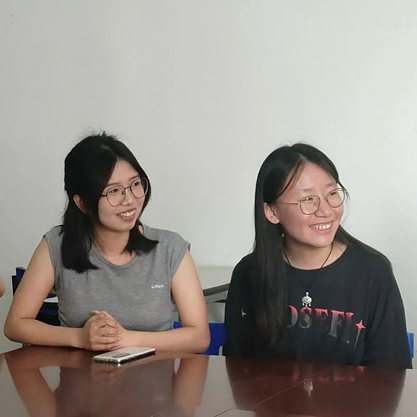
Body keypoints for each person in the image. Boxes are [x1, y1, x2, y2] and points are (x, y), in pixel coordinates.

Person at [4, 132, 209, 352]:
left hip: (153, 374)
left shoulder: (170, 248)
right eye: (113, 191)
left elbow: (199, 337)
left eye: (135, 184)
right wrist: (78, 337)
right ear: (82, 203)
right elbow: (15, 325)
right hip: (81, 374)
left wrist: (125, 339)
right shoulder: (57, 245)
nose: (129, 199)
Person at [224, 143, 411, 368]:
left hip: (355, 394)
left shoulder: (373, 272)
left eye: (332, 193)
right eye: (307, 199)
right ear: (272, 212)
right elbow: (237, 369)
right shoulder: (249, 273)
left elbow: (391, 375)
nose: (326, 210)